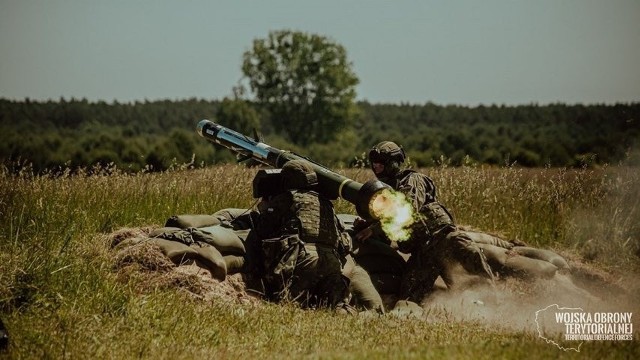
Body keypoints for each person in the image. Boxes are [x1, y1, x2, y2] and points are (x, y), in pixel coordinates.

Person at [355, 141, 495, 304]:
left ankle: (495, 311)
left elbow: (407, 210)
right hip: (423, 254)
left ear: (394, 162)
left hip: (445, 242)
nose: (376, 166)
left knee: (482, 287)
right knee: (409, 301)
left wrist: (373, 229)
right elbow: (390, 228)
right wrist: (367, 226)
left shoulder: (413, 180)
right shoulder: (386, 195)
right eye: (374, 163)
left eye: (381, 162)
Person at [254, 160, 352, 310]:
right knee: (335, 306)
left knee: (289, 304)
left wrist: (264, 209)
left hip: (304, 259)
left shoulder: (288, 198)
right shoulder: (325, 203)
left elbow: (263, 229)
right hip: (332, 261)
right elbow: (343, 239)